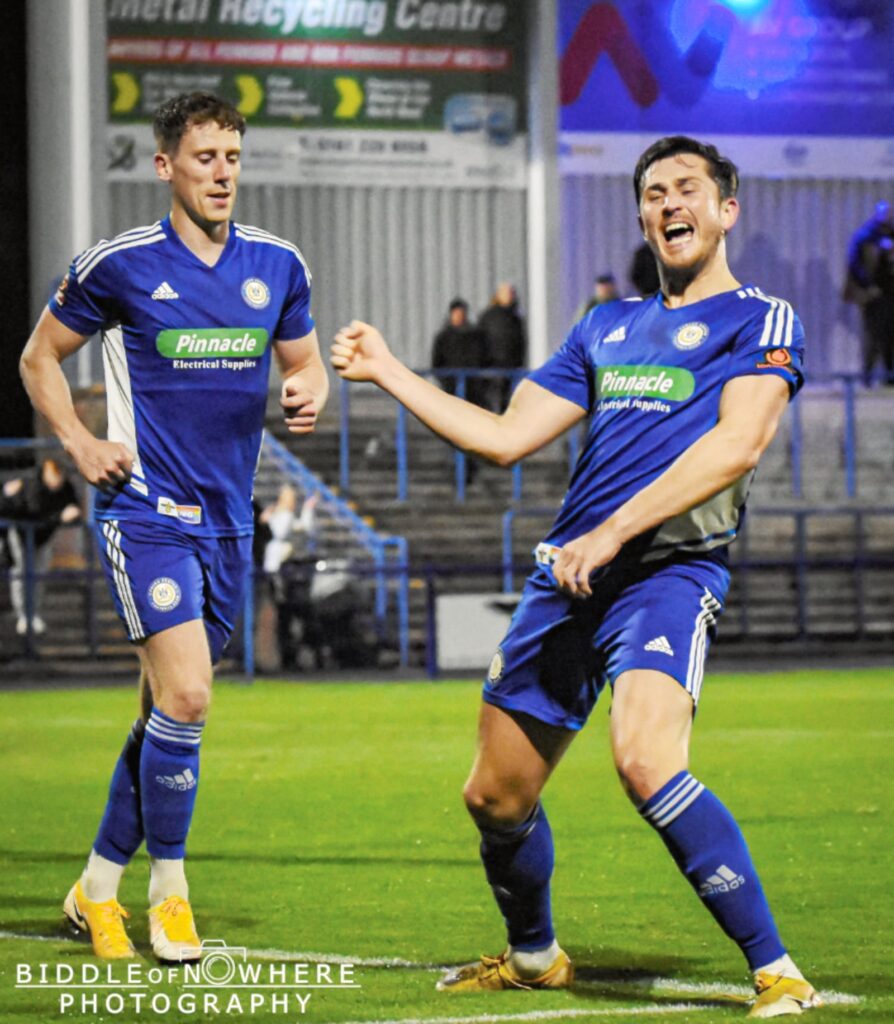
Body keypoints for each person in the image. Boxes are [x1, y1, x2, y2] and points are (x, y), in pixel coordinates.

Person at [332, 135, 819, 1018]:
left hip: (667, 572)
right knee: (494, 793)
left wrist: (614, 531)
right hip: (572, 577)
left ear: (725, 209)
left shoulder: (761, 319)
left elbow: (737, 444)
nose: (668, 203)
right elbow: (507, 436)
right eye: (652, 192)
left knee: (643, 759)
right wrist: (389, 370)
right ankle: (533, 958)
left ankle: (778, 971)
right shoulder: (605, 328)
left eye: (686, 188)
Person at [19, 92, 328, 961]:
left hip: (233, 524)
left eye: (232, 156)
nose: (222, 173)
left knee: (165, 711)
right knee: (189, 694)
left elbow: (302, 364)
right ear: (166, 167)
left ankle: (95, 886)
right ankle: (172, 894)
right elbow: (38, 356)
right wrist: (78, 442)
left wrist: (312, 391)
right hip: (144, 512)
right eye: (204, 158)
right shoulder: (119, 265)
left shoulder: (278, 264)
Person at [0, 455, 81, 635]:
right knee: (21, 573)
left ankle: (33, 614)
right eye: (54, 476)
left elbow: (75, 507)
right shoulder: (31, 483)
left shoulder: (65, 487)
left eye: (60, 477)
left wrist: (72, 513)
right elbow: (35, 513)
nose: (57, 481)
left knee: (38, 574)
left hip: (44, 538)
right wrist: (60, 516)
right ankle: (23, 615)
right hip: (21, 535)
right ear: (46, 472)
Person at [843, 200, 894, 386]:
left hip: (890, 295)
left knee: (890, 337)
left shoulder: (890, 234)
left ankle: (889, 378)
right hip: (872, 296)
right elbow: (855, 264)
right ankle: (868, 377)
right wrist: (867, 286)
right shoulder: (865, 236)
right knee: (873, 336)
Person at [431, 298, 489, 408]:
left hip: (473, 389)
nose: (459, 316)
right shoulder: (443, 337)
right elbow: (436, 363)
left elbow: (483, 358)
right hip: (451, 388)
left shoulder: (475, 336)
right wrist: (446, 382)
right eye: (456, 313)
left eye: (461, 313)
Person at [478, 282, 527, 411]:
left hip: (512, 368)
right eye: (506, 293)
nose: (509, 296)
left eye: (511, 293)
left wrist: (520, 362)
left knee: (509, 403)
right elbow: (481, 341)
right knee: (493, 403)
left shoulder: (516, 318)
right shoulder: (489, 317)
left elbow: (521, 342)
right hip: (492, 368)